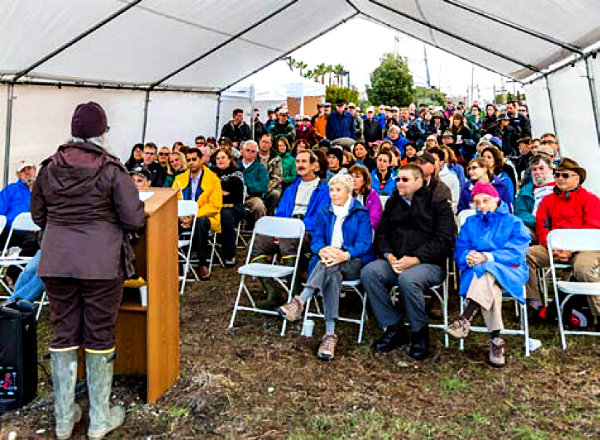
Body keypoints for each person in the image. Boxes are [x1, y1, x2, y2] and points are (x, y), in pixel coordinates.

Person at [30, 102, 145, 440]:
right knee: (99, 334)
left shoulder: (48, 167)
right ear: (102, 133)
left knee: (64, 333)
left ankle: (63, 420)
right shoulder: (112, 169)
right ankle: (99, 419)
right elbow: (133, 219)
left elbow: (38, 215)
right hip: (101, 263)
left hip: (57, 262)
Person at [361, 164, 454, 360]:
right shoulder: (394, 202)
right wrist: (388, 255)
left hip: (428, 264)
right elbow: (382, 234)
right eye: (398, 179)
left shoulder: (438, 203)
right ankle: (394, 327)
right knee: (370, 272)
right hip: (395, 260)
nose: (400, 183)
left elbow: (444, 241)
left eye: (405, 179)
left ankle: (419, 333)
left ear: (419, 182)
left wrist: (416, 258)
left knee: (408, 280)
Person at [278, 174, 375, 360]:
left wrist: (344, 254)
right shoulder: (324, 210)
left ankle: (300, 300)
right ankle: (329, 334)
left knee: (330, 266)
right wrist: (322, 251)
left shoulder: (360, 213)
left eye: (338, 190)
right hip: (329, 260)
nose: (333, 194)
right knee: (331, 271)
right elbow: (317, 239)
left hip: (352, 260)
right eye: (331, 190)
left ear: (348, 192)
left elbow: (364, 243)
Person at [447, 182, 530, 368]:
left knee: (488, 270)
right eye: (477, 202)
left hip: (509, 269)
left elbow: (517, 251)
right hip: (476, 272)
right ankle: (496, 341)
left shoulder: (513, 222)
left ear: (496, 200)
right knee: (488, 280)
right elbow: (461, 247)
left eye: (486, 200)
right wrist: (468, 256)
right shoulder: (471, 223)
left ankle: (465, 318)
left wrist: (488, 257)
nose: (482, 205)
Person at [249, 150, 330, 310]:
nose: (299, 165)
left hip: (308, 233)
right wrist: (281, 230)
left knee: (288, 241)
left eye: (304, 161)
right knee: (257, 242)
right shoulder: (291, 189)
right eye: (298, 161)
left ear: (314, 166)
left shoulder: (324, 190)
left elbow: (320, 218)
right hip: (285, 230)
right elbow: (280, 213)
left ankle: (296, 294)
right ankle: (273, 292)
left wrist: (291, 230)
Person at [525, 158, 600, 318]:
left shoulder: (590, 200)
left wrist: (570, 249)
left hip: (584, 249)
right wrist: (552, 246)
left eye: (564, 175)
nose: (559, 178)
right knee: (526, 255)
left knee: (583, 268)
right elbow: (542, 227)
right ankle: (535, 304)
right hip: (555, 248)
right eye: (556, 174)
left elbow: (592, 229)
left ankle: (598, 312)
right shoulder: (548, 200)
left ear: (577, 178)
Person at [173, 148, 223, 280]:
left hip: (205, 218)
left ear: (201, 160)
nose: (191, 163)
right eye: (188, 160)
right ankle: (172, 261)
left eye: (194, 159)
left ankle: (202, 262)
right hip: (183, 217)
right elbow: (173, 202)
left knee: (200, 222)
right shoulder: (179, 179)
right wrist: (182, 216)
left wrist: (193, 216)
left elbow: (215, 206)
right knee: (168, 222)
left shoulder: (213, 180)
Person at [0, 160, 40, 284]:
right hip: (9, 229)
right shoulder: (10, 189)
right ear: (18, 175)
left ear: (34, 170)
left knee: (35, 242)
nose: (27, 172)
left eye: (29, 168)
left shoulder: (42, 191)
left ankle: (13, 273)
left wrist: (37, 224)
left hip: (30, 231)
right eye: (23, 171)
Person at [214, 148, 245, 267]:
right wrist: (221, 191)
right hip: (216, 206)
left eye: (223, 157)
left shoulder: (237, 172)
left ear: (229, 159)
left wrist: (217, 189)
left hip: (235, 207)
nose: (220, 160)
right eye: (218, 158)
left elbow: (235, 188)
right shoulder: (212, 173)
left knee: (225, 216)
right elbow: (208, 188)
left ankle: (229, 254)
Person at [514, 155, 555, 242]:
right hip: (533, 227)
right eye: (534, 169)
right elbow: (520, 212)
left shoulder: (560, 188)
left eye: (541, 168)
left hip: (556, 228)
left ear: (550, 169)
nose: (538, 172)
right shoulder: (525, 191)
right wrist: (538, 223)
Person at [239, 140, 269, 222]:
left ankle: (260, 231)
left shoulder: (261, 168)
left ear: (256, 154)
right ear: (242, 151)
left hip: (252, 198)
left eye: (253, 151)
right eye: (247, 150)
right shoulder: (235, 165)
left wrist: (247, 189)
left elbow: (263, 186)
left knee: (258, 205)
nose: (250, 153)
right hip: (235, 198)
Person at [350, 164, 383, 231]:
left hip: (366, 231)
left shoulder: (372, 196)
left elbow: (374, 218)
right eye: (351, 177)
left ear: (365, 180)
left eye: (357, 177)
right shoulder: (345, 195)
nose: (353, 180)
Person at [427, 147, 460, 213]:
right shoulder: (423, 177)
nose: (431, 163)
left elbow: (454, 202)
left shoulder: (451, 177)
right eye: (428, 160)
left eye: (434, 160)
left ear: (441, 162)